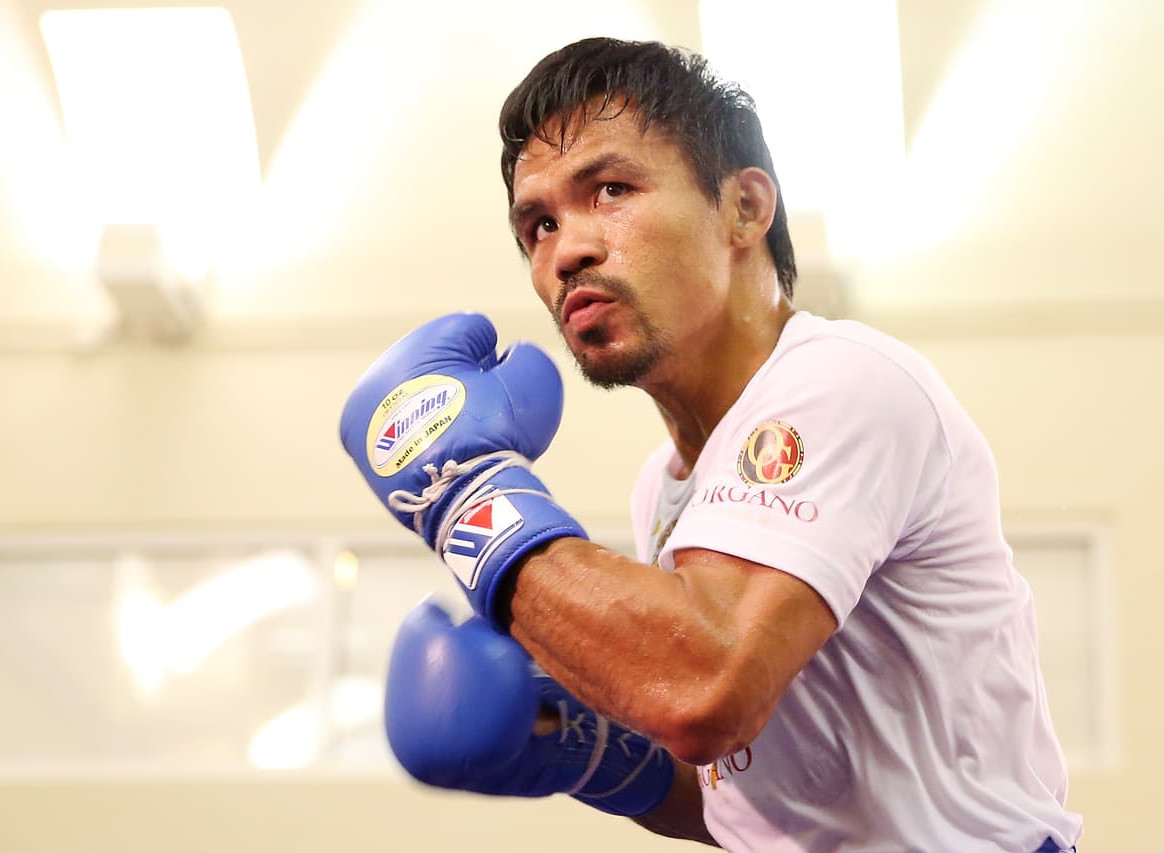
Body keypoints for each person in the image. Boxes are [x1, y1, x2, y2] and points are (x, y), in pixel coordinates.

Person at [339, 37, 1083, 852]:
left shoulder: (844, 381)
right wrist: (596, 756)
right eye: (539, 223)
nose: (567, 250)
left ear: (745, 208)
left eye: (611, 189)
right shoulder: (665, 485)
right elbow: (746, 795)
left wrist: (463, 494)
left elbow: (703, 687)